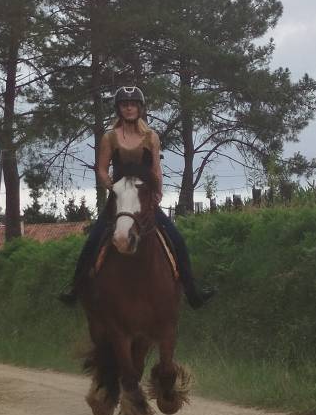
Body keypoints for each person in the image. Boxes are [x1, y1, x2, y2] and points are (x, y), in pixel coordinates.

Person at [59, 86, 215, 308]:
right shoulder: (109, 137)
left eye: (133, 104)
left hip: (144, 200)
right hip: (119, 200)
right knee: (94, 240)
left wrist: (158, 192)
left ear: (140, 108)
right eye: (125, 104)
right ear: (119, 109)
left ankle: (193, 292)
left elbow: (156, 170)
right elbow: (102, 169)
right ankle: (75, 289)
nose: (129, 107)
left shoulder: (151, 137)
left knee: (177, 239)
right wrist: (110, 186)